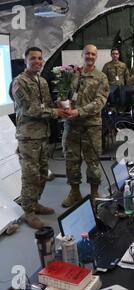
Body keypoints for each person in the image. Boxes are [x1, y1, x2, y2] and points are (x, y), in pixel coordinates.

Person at [12, 47, 68, 229]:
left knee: (43, 173)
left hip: (43, 136)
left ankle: (35, 202)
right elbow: (30, 109)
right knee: (31, 176)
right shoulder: (19, 83)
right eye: (33, 58)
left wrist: (59, 105)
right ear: (25, 60)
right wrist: (55, 112)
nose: (37, 61)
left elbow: (46, 104)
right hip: (28, 138)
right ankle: (28, 211)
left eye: (40, 58)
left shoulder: (42, 81)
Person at [62, 44, 109, 208]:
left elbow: (99, 102)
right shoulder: (72, 75)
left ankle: (94, 192)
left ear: (96, 57)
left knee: (93, 161)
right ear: (82, 55)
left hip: (91, 127)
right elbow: (64, 94)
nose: (90, 56)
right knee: (71, 161)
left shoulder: (101, 77)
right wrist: (62, 104)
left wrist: (79, 112)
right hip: (72, 126)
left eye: (93, 54)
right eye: (87, 54)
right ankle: (74, 192)